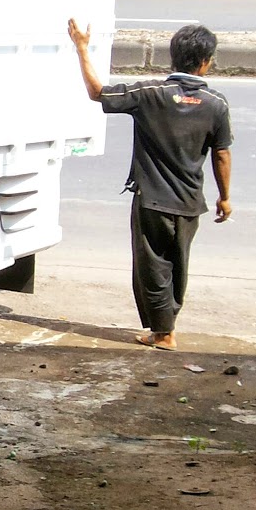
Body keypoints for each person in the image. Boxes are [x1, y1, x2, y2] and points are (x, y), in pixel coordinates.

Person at [67, 19, 232, 351]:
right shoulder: (217, 104)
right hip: (189, 203)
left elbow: (97, 93)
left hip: (152, 201)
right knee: (178, 263)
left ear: (173, 57)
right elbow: (222, 155)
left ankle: (163, 333)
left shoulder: (149, 94)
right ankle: (167, 326)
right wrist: (225, 198)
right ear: (205, 62)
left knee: (153, 265)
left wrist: (82, 47)